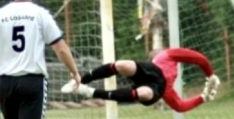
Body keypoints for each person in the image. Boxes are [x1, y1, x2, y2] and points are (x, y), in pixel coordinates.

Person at [61, 48, 221, 112]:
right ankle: (80, 80)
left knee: (143, 92)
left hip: (156, 88)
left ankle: (91, 92)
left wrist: (203, 96)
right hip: (150, 73)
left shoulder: (168, 90)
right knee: (123, 64)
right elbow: (200, 58)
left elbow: (180, 106)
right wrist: (210, 75)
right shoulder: (164, 56)